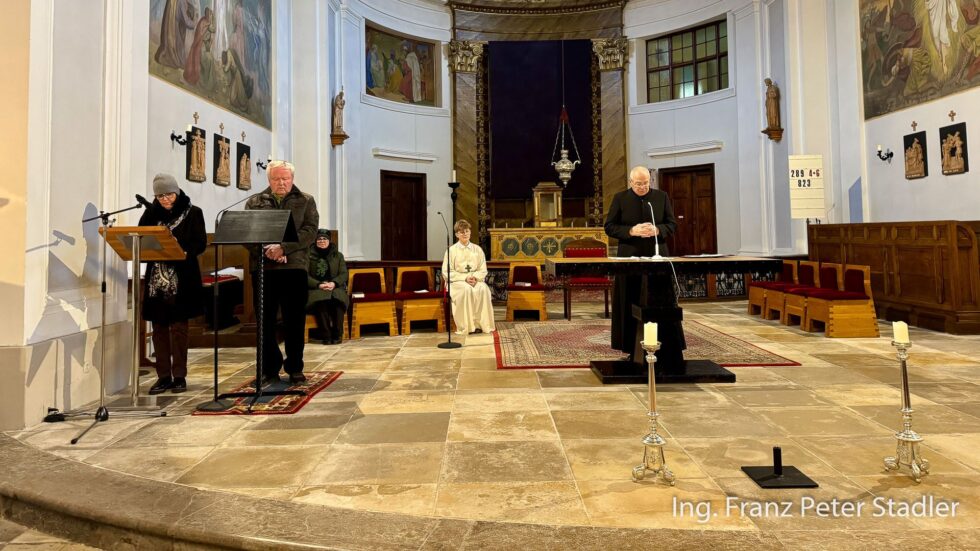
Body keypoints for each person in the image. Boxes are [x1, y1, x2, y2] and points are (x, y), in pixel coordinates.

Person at [245, 161, 319, 385]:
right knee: (264, 321)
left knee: (294, 320)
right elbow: (246, 231)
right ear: (269, 180)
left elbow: (310, 231)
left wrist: (284, 248)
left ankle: (295, 367)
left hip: (294, 267)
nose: (282, 183)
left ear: (292, 179)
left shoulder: (305, 200)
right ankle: (269, 368)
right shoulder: (255, 201)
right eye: (277, 179)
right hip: (263, 268)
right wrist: (268, 251)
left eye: (286, 178)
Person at [139, 174, 207, 394]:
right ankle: (163, 376)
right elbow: (141, 237)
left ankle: (179, 375)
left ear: (177, 193)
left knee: (179, 327)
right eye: (159, 195)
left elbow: (200, 243)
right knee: (158, 327)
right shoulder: (150, 213)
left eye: (168, 194)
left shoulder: (193, 212)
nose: (165, 199)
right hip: (156, 280)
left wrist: (182, 248)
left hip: (183, 277)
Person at [604, 166, 678, 357]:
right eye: (638, 184)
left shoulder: (661, 197)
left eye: (646, 183)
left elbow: (672, 224)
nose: (643, 187)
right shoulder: (620, 198)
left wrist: (658, 230)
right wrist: (631, 231)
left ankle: (667, 346)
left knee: (659, 299)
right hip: (629, 257)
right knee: (630, 298)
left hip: (657, 257)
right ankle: (630, 346)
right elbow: (610, 227)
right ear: (630, 182)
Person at [442, 220, 495, 335]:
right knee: (466, 290)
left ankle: (481, 325)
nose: (465, 234)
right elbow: (447, 271)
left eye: (467, 231)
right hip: (457, 281)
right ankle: (467, 326)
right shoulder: (451, 251)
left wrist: (475, 277)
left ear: (470, 232)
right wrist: (465, 278)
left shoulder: (477, 250)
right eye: (462, 232)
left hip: (475, 279)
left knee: (483, 289)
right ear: (457, 234)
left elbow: (483, 269)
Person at [306, 230, 348, 344]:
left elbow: (344, 274)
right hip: (316, 288)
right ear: (315, 241)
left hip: (335, 287)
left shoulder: (338, 256)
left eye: (324, 239)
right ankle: (326, 335)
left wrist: (334, 283)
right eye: (319, 239)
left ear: (329, 241)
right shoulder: (308, 255)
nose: (322, 241)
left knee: (338, 301)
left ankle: (337, 334)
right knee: (321, 302)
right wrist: (319, 284)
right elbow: (305, 275)